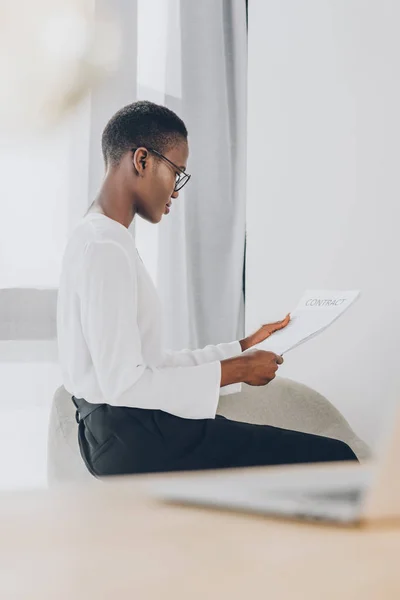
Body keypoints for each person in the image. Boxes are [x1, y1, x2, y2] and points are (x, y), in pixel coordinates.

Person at [57, 100, 357, 477]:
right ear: (142, 160)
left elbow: (149, 366)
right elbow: (124, 384)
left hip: (127, 435)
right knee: (335, 460)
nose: (177, 191)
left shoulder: (101, 239)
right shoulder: (103, 247)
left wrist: (243, 347)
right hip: (132, 437)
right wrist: (238, 369)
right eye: (177, 172)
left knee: (325, 457)